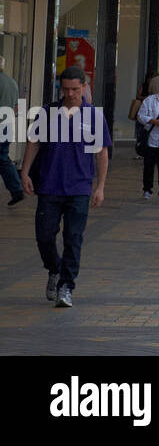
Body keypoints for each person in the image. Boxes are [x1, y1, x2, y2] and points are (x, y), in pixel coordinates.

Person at [20, 67, 110, 308]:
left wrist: (100, 187)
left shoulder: (93, 116)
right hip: (49, 185)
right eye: (66, 89)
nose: (70, 93)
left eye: (75, 89)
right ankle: (55, 269)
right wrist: (25, 172)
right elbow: (34, 142)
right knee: (44, 236)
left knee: (73, 238)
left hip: (79, 187)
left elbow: (102, 153)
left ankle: (66, 287)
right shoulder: (48, 112)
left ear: (84, 86)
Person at [0, 55, 23, 205]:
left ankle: (17, 190)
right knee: (3, 158)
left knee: (3, 160)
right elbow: (16, 107)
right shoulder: (12, 82)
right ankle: (16, 190)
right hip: (7, 125)